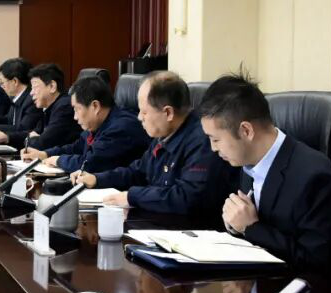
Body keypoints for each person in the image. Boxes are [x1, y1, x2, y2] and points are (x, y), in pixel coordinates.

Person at [198, 73, 331, 276]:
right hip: (257, 282)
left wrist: (251, 228)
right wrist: (236, 224)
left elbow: (320, 264)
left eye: (216, 139)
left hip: (306, 291)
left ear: (246, 131)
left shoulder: (315, 177)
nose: (213, 148)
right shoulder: (247, 161)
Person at [72, 71, 237, 215]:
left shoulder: (203, 141)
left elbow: (187, 197)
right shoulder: (165, 134)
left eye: (144, 112)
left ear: (168, 113)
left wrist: (132, 197)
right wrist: (97, 179)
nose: (139, 117)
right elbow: (138, 171)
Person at [21, 75, 148, 174]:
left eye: (77, 109)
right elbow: (77, 147)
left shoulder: (121, 128)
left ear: (95, 106)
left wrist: (58, 160)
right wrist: (45, 154)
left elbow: (89, 163)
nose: (75, 117)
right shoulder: (99, 123)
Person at [0, 62, 80, 149]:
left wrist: (33, 138)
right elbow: (33, 133)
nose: (31, 93)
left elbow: (42, 143)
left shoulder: (64, 107)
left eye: (35, 87)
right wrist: (7, 137)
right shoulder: (48, 108)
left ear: (52, 86)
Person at [0, 58, 41, 134]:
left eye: (2, 82)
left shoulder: (32, 99)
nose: (1, 86)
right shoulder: (15, 97)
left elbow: (22, 128)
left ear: (15, 81)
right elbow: (9, 120)